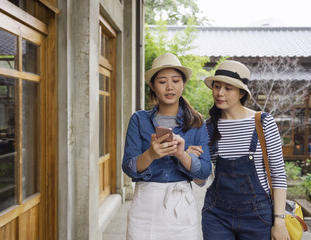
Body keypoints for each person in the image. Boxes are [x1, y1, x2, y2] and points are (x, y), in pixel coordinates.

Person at [122, 53, 212, 240]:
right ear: (153, 86)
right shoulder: (139, 120)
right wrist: (151, 154)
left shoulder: (197, 123)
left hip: (181, 207)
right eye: (162, 81)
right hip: (145, 205)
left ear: (183, 84)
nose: (169, 87)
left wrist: (182, 155)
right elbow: (129, 167)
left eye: (175, 81)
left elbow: (203, 172)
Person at [196, 60, 289, 240]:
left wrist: (279, 221)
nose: (220, 93)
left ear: (241, 93)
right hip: (217, 215)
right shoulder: (207, 128)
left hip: (258, 216)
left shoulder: (263, 122)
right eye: (217, 86)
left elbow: (278, 175)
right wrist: (189, 159)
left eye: (228, 88)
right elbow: (201, 180)